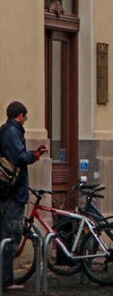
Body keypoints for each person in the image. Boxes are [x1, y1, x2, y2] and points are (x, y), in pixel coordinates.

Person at [0, 102, 48, 289]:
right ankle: (6, 280)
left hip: (7, 192)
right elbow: (20, 158)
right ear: (20, 116)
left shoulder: (6, 130)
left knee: (6, 236)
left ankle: (5, 278)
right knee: (11, 236)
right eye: (25, 117)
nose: (25, 121)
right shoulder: (12, 132)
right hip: (12, 193)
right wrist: (36, 154)